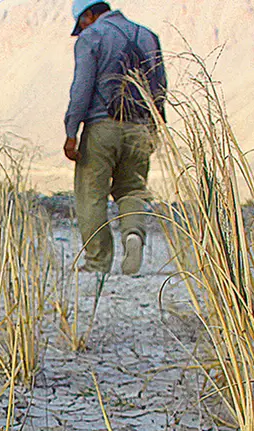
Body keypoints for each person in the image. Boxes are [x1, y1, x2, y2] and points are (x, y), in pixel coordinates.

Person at [64, 1, 167, 275]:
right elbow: (160, 86)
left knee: (91, 192)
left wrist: (71, 131)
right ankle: (133, 234)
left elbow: (82, 86)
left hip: (102, 126)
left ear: (89, 15)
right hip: (140, 126)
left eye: (82, 22)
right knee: (132, 189)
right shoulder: (147, 36)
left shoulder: (92, 37)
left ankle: (98, 262)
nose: (83, 27)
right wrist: (157, 127)